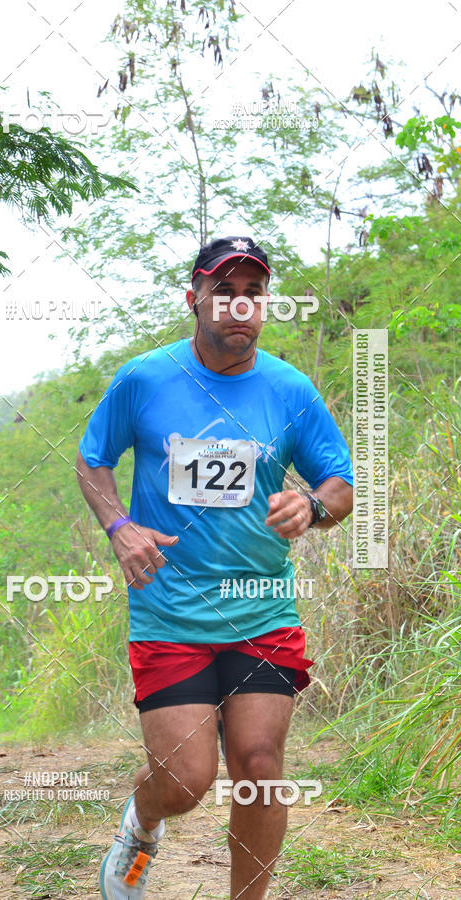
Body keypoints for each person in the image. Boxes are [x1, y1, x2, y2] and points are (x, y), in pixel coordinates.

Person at [76, 236, 354, 899]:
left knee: (259, 763)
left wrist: (312, 507)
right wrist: (120, 527)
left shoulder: (290, 388)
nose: (239, 306)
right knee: (185, 780)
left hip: (261, 609)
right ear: (194, 298)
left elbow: (339, 482)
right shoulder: (145, 378)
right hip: (169, 610)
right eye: (224, 292)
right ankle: (142, 822)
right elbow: (92, 461)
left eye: (253, 294)